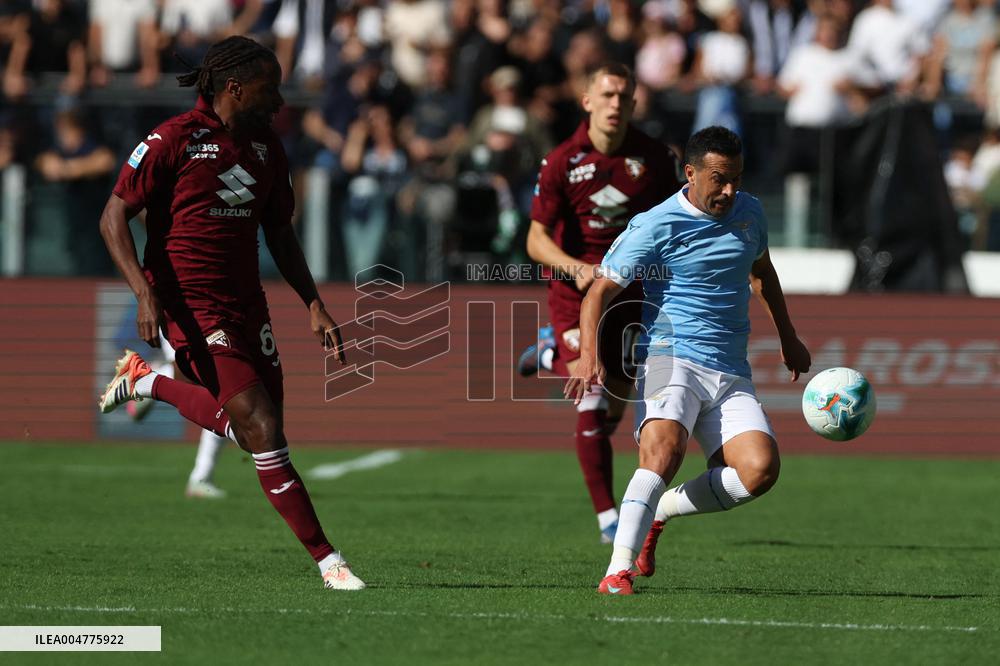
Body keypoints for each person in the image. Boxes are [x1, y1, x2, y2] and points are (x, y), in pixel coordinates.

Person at [97, 36, 364, 590]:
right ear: (235, 88)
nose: (281, 100)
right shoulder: (172, 140)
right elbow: (113, 218)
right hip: (190, 304)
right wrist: (145, 295)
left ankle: (146, 383)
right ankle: (329, 561)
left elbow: (281, 233)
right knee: (262, 428)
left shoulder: (266, 145)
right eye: (272, 87)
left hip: (248, 304)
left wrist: (314, 303)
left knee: (260, 437)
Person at [565, 126, 811, 594]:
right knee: (662, 453)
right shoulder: (655, 223)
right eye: (719, 179)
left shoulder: (750, 212)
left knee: (759, 472)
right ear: (691, 172)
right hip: (668, 356)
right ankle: (617, 571)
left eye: (736, 179)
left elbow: (762, 272)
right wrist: (590, 356)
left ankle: (661, 511)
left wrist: (788, 335)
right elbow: (600, 290)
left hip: (729, 368)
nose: (729, 190)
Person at [523, 62, 682, 543]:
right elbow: (535, 239)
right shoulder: (562, 161)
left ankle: (548, 352)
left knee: (615, 402)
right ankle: (608, 519)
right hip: (576, 294)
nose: (616, 104)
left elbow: (675, 222)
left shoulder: (654, 158)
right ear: (587, 100)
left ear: (634, 104)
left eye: (625, 97)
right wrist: (574, 267)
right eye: (608, 95)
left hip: (632, 294)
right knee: (590, 397)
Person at [126, 333, 230, 499]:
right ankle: (149, 381)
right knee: (192, 372)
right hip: (181, 314)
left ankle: (201, 478)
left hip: (200, 315)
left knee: (222, 398)